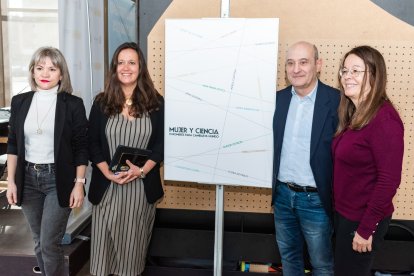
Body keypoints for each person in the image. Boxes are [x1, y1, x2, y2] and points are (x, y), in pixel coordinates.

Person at [6, 46, 88, 275]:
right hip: (28, 179)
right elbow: (13, 144)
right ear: (32, 72)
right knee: (39, 241)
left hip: (58, 180)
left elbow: (81, 148)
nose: (45, 73)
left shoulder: (72, 104)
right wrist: (11, 181)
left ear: (61, 74)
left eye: (53, 69)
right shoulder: (20, 101)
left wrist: (79, 184)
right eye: (40, 67)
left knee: (49, 242)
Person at [88, 42, 164, 276]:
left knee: (132, 258)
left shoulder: (156, 103)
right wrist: (107, 172)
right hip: (107, 188)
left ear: (140, 67)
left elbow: (163, 144)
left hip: (140, 191)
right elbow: (92, 143)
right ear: (114, 68)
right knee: (103, 259)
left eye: (132, 62)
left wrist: (141, 171)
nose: (126, 67)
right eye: (121, 62)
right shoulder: (101, 102)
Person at [332, 45, 404, 276]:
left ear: (374, 75)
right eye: (344, 71)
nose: (347, 76)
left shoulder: (385, 119)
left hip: (361, 221)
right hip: (345, 216)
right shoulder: (355, 114)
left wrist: (365, 229)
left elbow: (388, 181)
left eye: (356, 70)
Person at [272, 41, 340, 275]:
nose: (296, 69)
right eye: (290, 63)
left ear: (318, 65)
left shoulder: (337, 102)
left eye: (303, 62)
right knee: (289, 259)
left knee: (321, 264)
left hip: (316, 201)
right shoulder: (277, 100)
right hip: (282, 196)